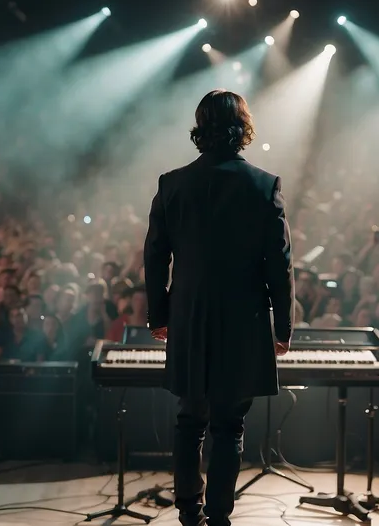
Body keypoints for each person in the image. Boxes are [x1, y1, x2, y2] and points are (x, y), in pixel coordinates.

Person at [144, 89, 294, 526]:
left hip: (189, 317)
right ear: (241, 128)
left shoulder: (172, 183)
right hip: (244, 322)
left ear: (200, 127)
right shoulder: (264, 185)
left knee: (189, 421)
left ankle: (189, 513)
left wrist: (160, 315)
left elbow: (155, 255)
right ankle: (219, 518)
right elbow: (280, 265)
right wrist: (282, 327)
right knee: (229, 426)